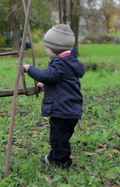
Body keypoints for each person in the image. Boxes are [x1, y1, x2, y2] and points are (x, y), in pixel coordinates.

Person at [22, 24, 85, 169]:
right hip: (69, 108)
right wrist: (46, 86)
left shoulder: (61, 63)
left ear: (56, 49)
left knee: (59, 138)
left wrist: (29, 68)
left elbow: (47, 75)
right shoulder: (69, 62)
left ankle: (61, 162)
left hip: (62, 109)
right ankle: (54, 157)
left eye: (47, 48)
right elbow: (61, 81)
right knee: (59, 137)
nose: (45, 50)